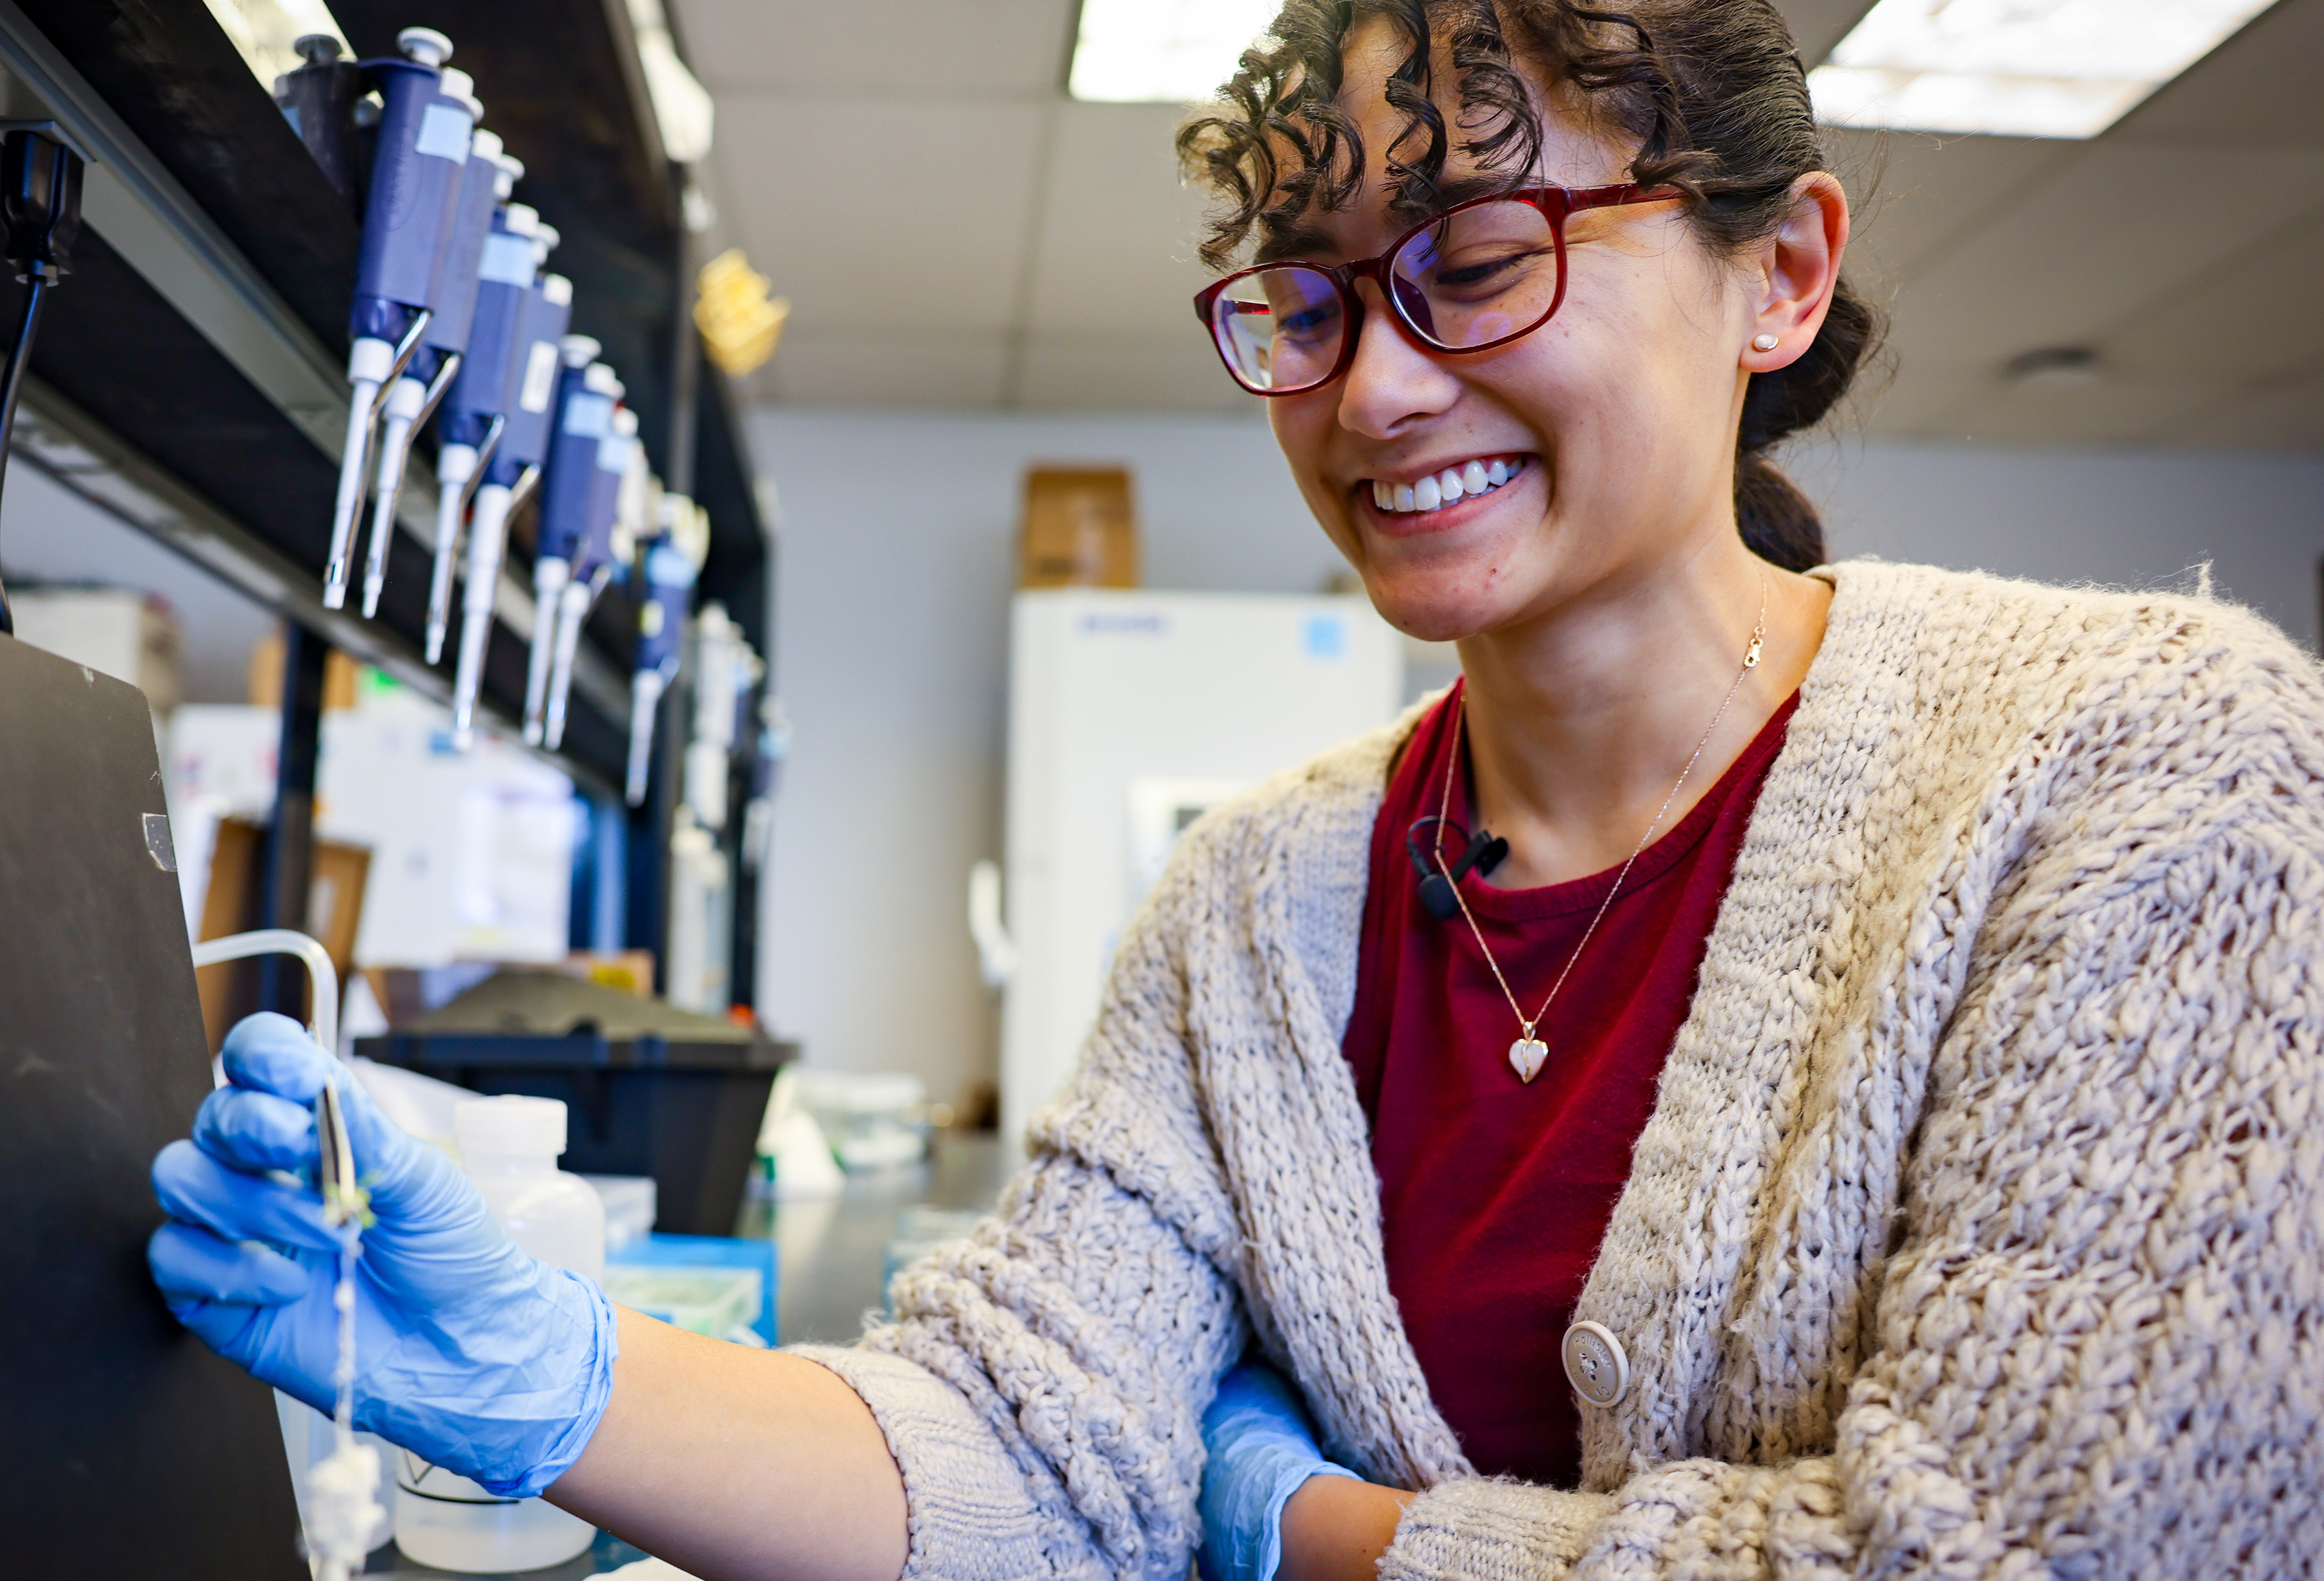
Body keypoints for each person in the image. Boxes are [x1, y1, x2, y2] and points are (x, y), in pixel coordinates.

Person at [148, 0, 2324, 1576]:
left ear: (1781, 270)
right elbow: (1024, 1448)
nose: (1372, 389)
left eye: (1477, 264)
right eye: (1304, 302)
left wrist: (1326, 1534)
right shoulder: (1265, 898)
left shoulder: (2141, 775)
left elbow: (2031, 1551)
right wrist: (566, 1385)